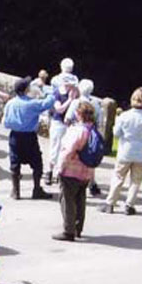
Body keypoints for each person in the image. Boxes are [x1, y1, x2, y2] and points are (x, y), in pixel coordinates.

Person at [101, 87, 142, 216]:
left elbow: (116, 133)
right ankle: (129, 205)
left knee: (118, 177)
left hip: (126, 150)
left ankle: (110, 203)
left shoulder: (124, 116)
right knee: (136, 180)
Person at [1, 76, 55, 200]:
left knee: (15, 163)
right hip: (29, 137)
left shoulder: (10, 103)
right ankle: (37, 189)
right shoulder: (32, 104)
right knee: (37, 163)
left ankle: (16, 191)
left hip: (15, 136)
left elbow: (5, 122)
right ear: (26, 90)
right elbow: (49, 102)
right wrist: (46, 90)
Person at [53, 102, 97, 241]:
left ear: (79, 114)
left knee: (67, 200)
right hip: (86, 171)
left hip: (71, 170)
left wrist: (59, 168)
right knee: (80, 199)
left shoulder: (78, 131)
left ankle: (68, 230)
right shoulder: (93, 131)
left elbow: (68, 151)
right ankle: (78, 228)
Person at [66, 79, 103, 196]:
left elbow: (67, 119)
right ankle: (91, 183)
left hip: (77, 131)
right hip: (91, 132)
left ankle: (73, 179)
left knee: (74, 156)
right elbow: (100, 121)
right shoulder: (96, 103)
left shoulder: (76, 103)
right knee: (89, 156)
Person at [47, 77, 79, 186]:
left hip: (69, 125)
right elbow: (59, 109)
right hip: (58, 123)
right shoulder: (57, 93)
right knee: (54, 147)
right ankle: (49, 171)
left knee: (64, 149)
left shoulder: (75, 93)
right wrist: (70, 100)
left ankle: (58, 173)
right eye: (69, 85)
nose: (71, 87)